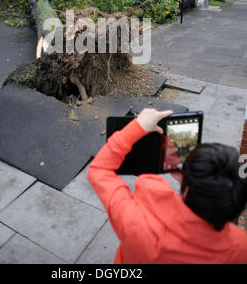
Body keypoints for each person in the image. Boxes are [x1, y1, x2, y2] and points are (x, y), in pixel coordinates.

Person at [87, 108, 247, 264]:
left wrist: (137, 128)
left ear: (188, 189)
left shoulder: (137, 227)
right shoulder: (240, 246)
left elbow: (99, 170)